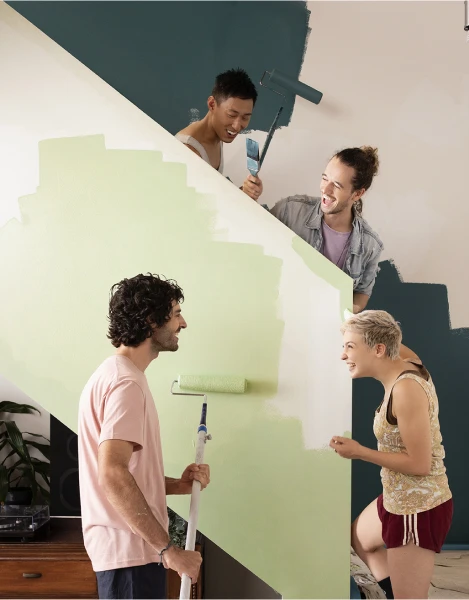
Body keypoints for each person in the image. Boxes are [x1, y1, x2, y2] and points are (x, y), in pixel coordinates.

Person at [78, 273, 210, 599]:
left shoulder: (117, 375)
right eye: (176, 313)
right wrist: (169, 550)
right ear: (152, 321)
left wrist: (178, 485)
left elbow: (122, 472)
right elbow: (112, 474)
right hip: (130, 555)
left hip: (129, 552)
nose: (183, 323)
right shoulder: (126, 383)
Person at [330, 310, 453, 599]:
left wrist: (361, 452)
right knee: (360, 540)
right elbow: (386, 333)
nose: (343, 356)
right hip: (396, 495)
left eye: (350, 347)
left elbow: (420, 464)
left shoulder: (406, 390)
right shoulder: (407, 360)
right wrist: (353, 319)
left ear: (379, 350)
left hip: (418, 506)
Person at [269, 147, 383, 314]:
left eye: (336, 185)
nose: (326, 189)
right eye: (325, 179)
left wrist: (346, 310)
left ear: (357, 194)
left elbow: (362, 293)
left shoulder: (370, 245)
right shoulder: (288, 210)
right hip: (274, 312)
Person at [176, 68, 263, 201]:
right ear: (212, 104)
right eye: (231, 115)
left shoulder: (218, 135)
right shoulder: (188, 151)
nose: (237, 126)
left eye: (245, 117)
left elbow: (211, 196)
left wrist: (245, 192)